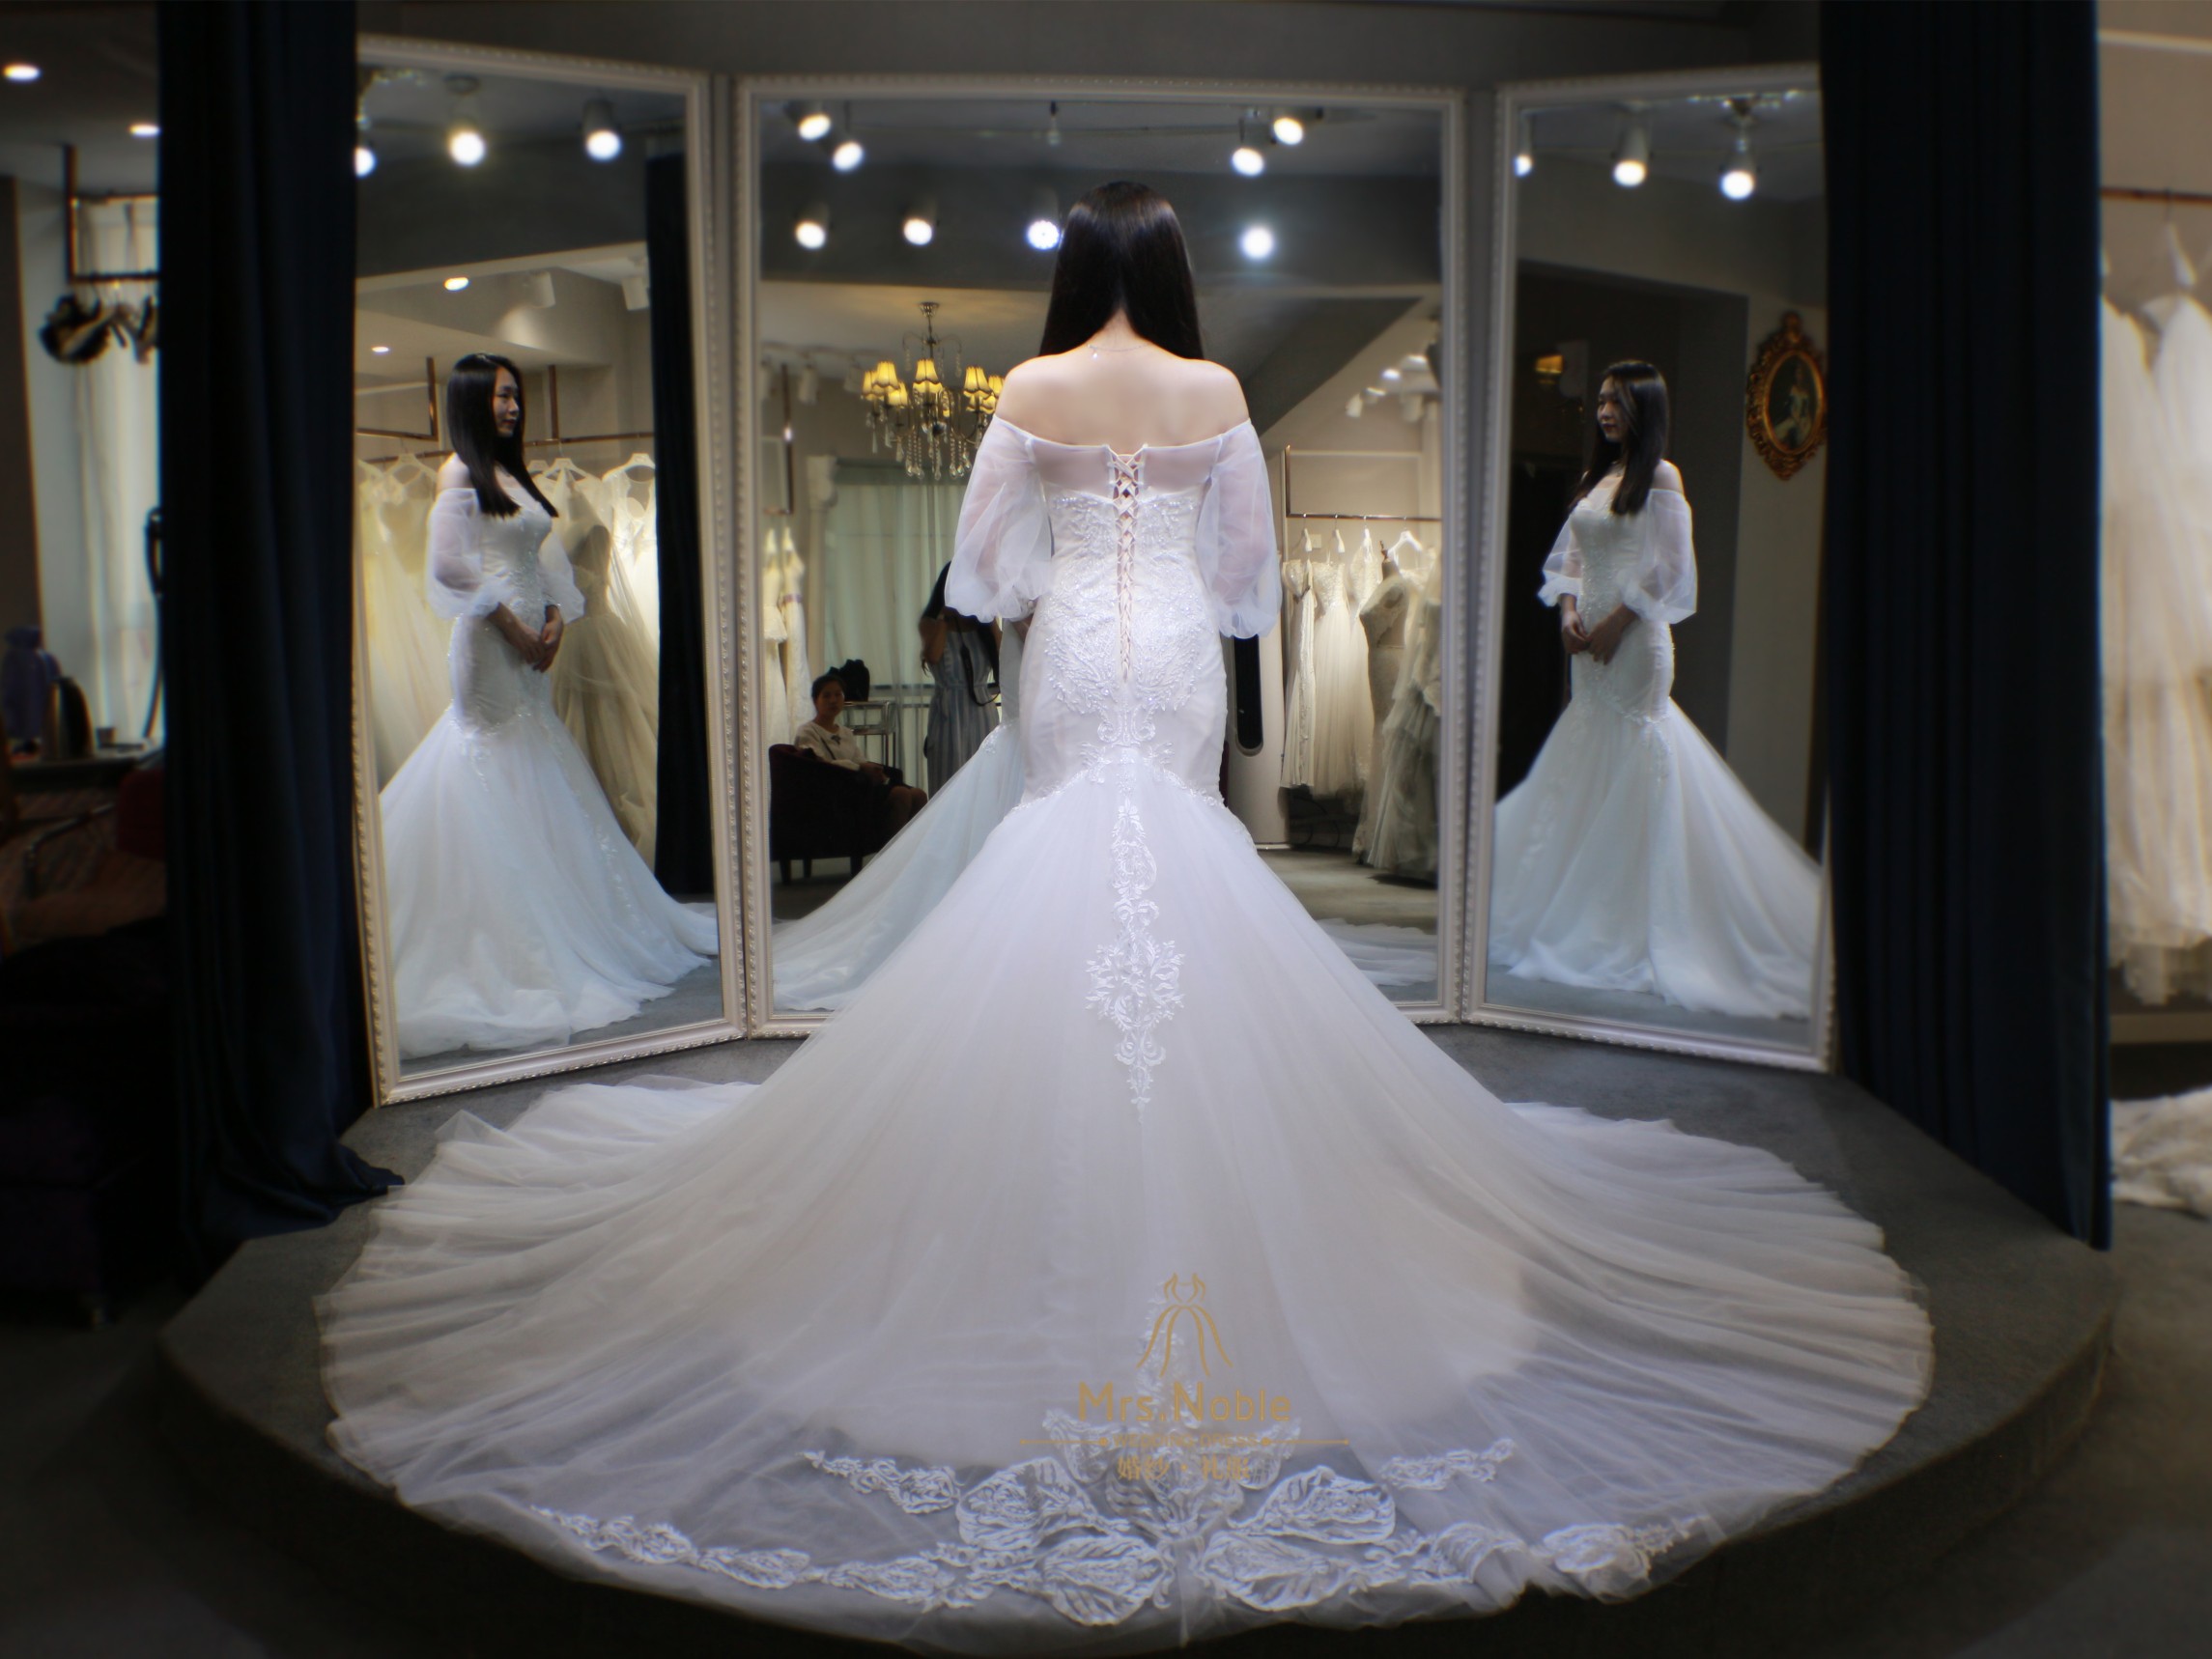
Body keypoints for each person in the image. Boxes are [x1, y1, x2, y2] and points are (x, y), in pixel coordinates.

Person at [322, 189, 1929, 1653]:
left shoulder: (1028, 388)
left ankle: (1048, 1206)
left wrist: (1064, 556)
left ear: (1072, 271)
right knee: (1183, 885)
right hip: (1167, 663)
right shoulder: (1216, 389)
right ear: (1164, 272)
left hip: (1078, 666)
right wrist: (1156, 567)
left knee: (1063, 884)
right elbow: (1243, 583)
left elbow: (985, 570)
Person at [376, 352, 716, 1060]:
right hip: (488, 648)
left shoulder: (511, 475)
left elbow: (546, 559)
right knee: (495, 761)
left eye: (515, 395)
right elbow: (449, 568)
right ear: (471, 401)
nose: (511, 406)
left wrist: (557, 617)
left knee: (537, 762)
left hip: (533, 646)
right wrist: (512, 627)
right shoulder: (458, 473)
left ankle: (572, 919)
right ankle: (509, 938)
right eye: (500, 396)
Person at [1488, 361, 1823, 1021]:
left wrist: (1617, 622)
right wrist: (1568, 613)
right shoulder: (1598, 479)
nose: (1604, 412)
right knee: (1588, 758)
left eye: (1617, 402)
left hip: (1637, 644)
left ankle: (1631, 923)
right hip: (1588, 646)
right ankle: (1575, 910)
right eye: (1601, 401)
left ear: (1645, 408)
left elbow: (1672, 568)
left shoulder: (1662, 478)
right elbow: (1571, 559)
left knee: (1635, 759)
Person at [792, 669, 926, 836]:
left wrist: (872, 770)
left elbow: (858, 759)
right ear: (815, 701)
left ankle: (912, 847)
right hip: (835, 791)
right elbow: (819, 765)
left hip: (857, 784)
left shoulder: (845, 732)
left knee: (919, 795)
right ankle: (890, 849)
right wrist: (859, 768)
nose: (833, 700)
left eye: (838, 694)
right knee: (901, 794)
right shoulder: (807, 731)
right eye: (826, 696)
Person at [918, 561, 1001, 792]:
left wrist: (989, 617)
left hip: (981, 712)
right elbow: (933, 656)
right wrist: (945, 619)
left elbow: (1003, 655)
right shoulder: (931, 623)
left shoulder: (982, 623)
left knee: (983, 782)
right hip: (948, 714)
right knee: (948, 780)